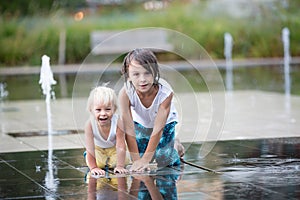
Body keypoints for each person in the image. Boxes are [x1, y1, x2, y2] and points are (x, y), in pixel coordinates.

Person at [118, 48, 185, 172]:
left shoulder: (165, 93)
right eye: (136, 74)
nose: (142, 79)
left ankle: (176, 145)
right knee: (141, 153)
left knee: (164, 159)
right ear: (128, 76)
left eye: (147, 73)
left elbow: (158, 129)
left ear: (155, 72)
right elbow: (128, 128)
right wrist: (137, 160)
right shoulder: (125, 93)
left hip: (165, 125)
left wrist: (145, 160)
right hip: (141, 125)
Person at [84, 86, 128, 176]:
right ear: (91, 110)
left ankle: (109, 162)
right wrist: (93, 167)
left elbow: (120, 146)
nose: (103, 113)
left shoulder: (118, 122)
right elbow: (90, 148)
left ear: (114, 109)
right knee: (98, 163)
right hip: (98, 148)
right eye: (98, 110)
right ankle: (96, 160)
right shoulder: (89, 125)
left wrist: (120, 166)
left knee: (124, 160)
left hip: (114, 148)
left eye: (108, 109)